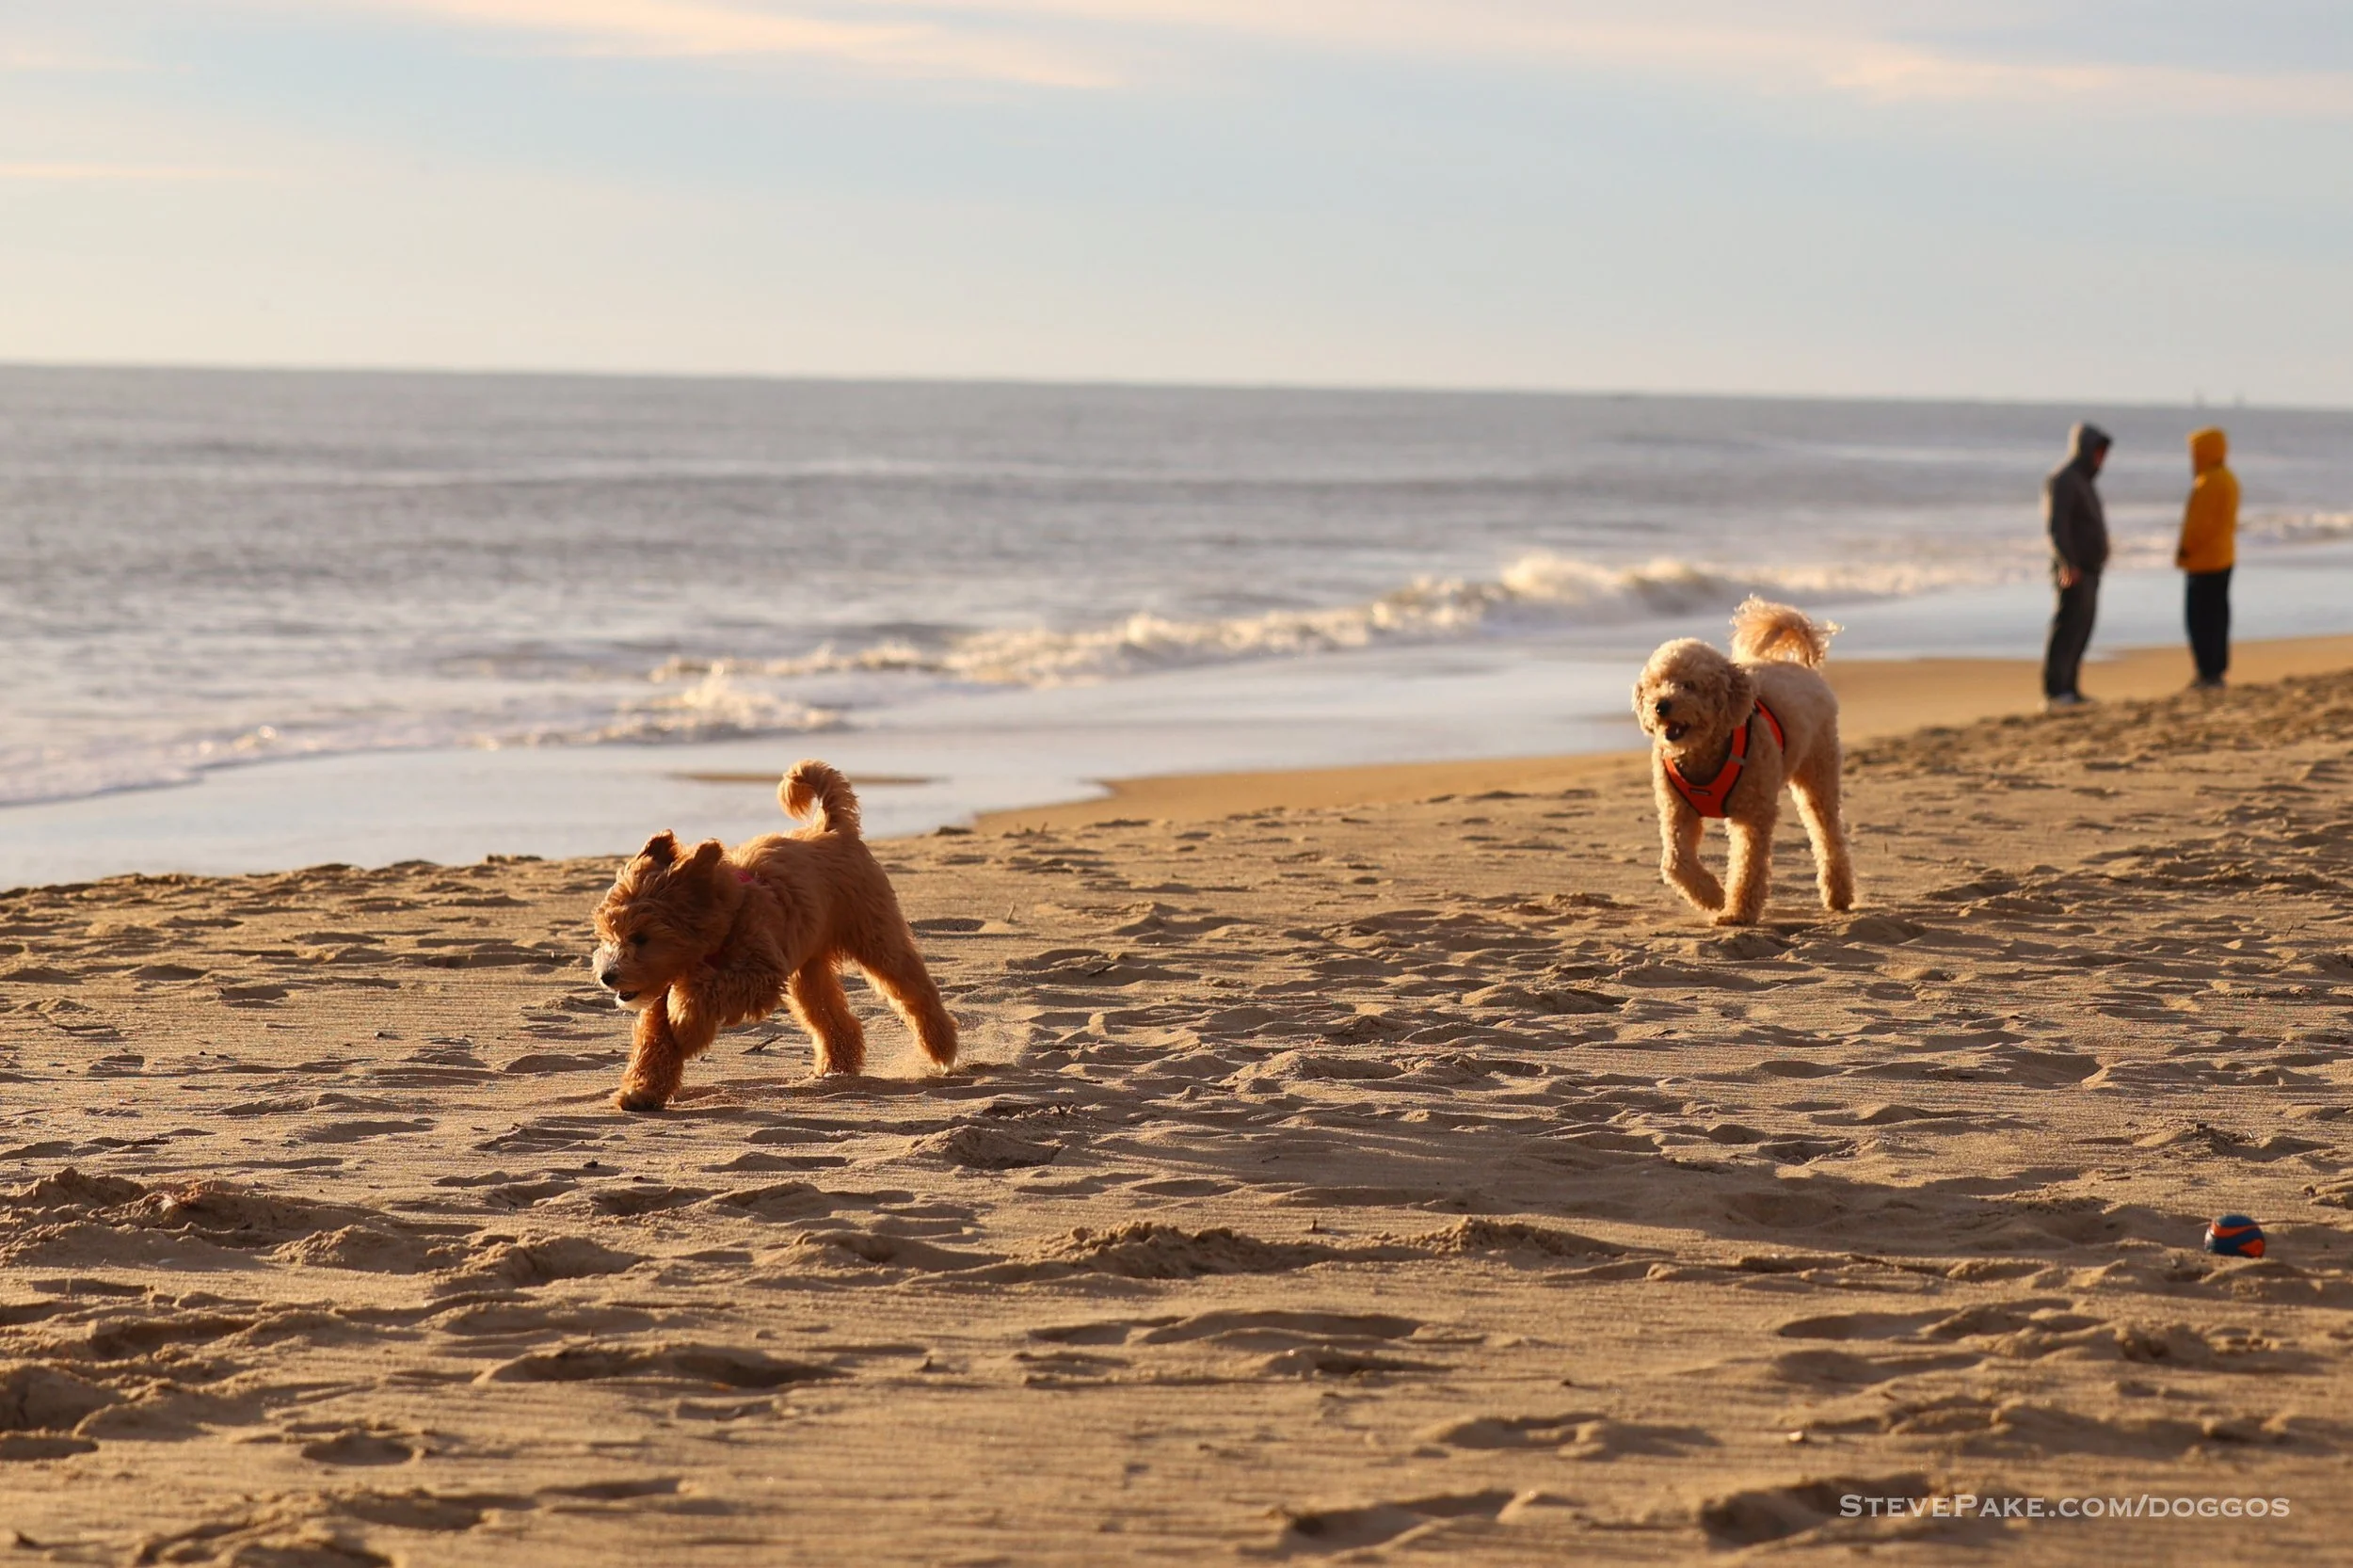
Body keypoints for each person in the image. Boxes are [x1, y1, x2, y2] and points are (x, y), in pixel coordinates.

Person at [2041, 422, 2112, 709]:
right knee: (2067, 628)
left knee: (2082, 629)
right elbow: (2056, 526)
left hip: (2091, 569)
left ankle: (2071, 687)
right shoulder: (2063, 479)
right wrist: (2067, 562)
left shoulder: (2085, 481)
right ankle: (2055, 692)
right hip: (2073, 569)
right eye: (2097, 451)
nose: (2100, 458)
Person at [2175, 426, 2239, 689]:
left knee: (2200, 618)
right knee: (2218, 616)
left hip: (2204, 561)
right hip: (2224, 556)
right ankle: (2216, 669)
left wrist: (2185, 549)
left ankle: (2206, 671)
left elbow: (2198, 525)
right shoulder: (2228, 478)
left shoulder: (2208, 482)